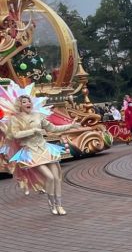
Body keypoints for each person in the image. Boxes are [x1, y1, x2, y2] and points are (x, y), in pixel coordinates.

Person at [0, 83, 81, 214]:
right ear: (19, 105)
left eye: (29, 101)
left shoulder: (38, 116)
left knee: (57, 178)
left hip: (45, 149)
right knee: (49, 177)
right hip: (31, 151)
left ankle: (59, 205)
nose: (28, 103)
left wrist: (71, 126)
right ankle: (51, 205)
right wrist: (32, 130)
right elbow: (14, 135)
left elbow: (53, 128)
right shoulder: (15, 119)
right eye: (24, 101)